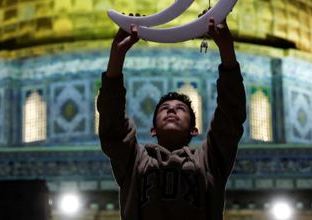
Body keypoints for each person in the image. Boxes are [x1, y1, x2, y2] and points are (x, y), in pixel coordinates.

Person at [98, 17, 247, 220]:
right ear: (153, 130)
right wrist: (117, 55)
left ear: (194, 130)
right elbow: (112, 120)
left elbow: (230, 114)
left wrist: (226, 49)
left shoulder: (209, 162)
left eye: (180, 109)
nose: (171, 111)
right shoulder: (135, 162)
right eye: (165, 109)